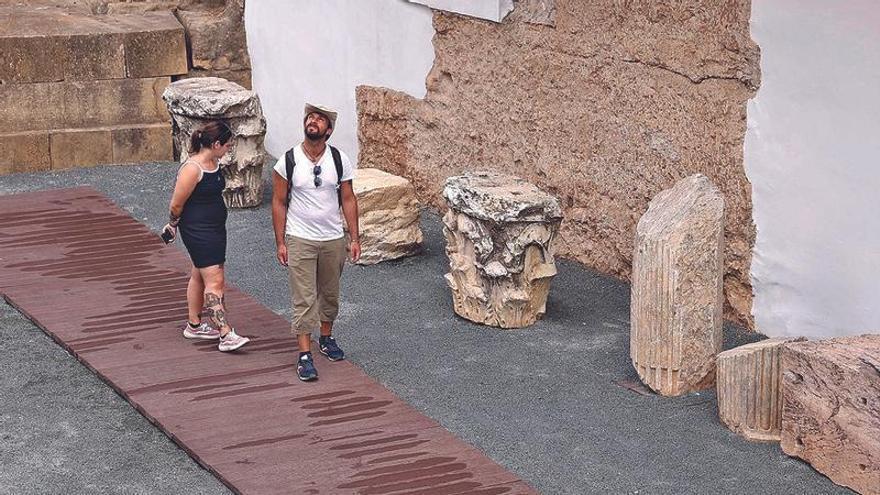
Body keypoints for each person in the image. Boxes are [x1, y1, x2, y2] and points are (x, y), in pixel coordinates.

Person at [271, 103, 360, 381]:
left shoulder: (339, 159)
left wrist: (354, 238)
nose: (313, 121)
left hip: (332, 238)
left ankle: (326, 338)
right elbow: (278, 202)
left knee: (330, 294)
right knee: (304, 298)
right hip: (300, 238)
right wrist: (281, 242)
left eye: (320, 119)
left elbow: (348, 199)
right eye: (310, 117)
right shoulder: (287, 160)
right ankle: (304, 355)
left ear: (328, 130)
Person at [162, 121, 250, 352]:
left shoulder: (215, 163)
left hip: (215, 228)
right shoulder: (192, 169)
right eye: (228, 145)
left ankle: (194, 325)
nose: (229, 149)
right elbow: (176, 204)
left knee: (199, 275)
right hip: (199, 231)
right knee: (215, 281)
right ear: (216, 144)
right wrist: (172, 225)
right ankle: (225, 333)